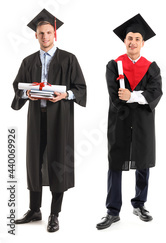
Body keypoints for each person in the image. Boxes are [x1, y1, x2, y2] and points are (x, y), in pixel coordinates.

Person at [11, 9, 88, 233]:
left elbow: (81, 88)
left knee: (57, 164)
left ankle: (54, 214)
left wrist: (67, 95)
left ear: (55, 34)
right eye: (41, 33)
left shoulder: (68, 59)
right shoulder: (28, 61)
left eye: (48, 32)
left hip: (60, 119)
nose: (45, 37)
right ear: (36, 36)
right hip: (37, 118)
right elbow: (18, 87)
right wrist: (27, 95)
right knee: (34, 162)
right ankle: (35, 210)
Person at [97, 13, 161, 230]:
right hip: (120, 122)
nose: (132, 42)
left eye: (137, 38)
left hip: (143, 124)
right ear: (124, 41)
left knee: (143, 163)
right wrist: (138, 96)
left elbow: (156, 93)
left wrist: (133, 96)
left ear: (143, 43)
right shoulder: (113, 65)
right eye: (129, 38)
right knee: (115, 163)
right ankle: (112, 211)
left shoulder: (151, 67)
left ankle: (140, 204)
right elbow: (115, 96)